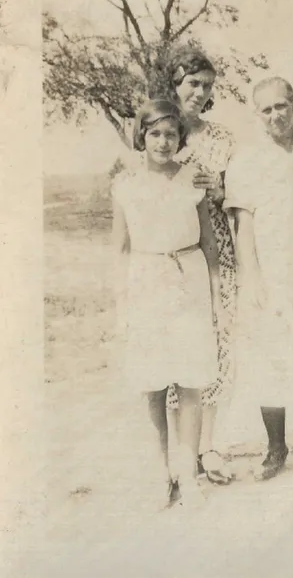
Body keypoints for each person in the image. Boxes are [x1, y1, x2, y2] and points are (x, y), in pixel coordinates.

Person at [112, 99, 221, 508]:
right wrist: (122, 307)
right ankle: (161, 472)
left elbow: (209, 243)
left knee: (191, 381)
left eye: (171, 134)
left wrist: (216, 300)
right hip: (146, 282)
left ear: (181, 138)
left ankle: (188, 474)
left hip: (189, 279)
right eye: (154, 133)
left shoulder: (194, 179)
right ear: (141, 136)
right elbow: (120, 249)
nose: (162, 142)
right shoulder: (125, 185)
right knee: (153, 384)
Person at [224, 77, 293, 481]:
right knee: (269, 360)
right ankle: (276, 448)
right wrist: (253, 278)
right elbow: (242, 225)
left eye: (281, 106)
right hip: (268, 268)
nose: (275, 115)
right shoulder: (246, 159)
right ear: (257, 114)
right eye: (266, 109)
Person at [164, 45, 236, 485]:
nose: (200, 92)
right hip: (174, 251)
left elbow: (237, 195)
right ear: (175, 83)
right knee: (177, 342)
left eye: (207, 86)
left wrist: (220, 190)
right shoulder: (161, 130)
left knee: (217, 340)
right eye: (193, 83)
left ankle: (207, 445)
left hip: (217, 249)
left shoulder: (222, 138)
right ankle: (180, 449)